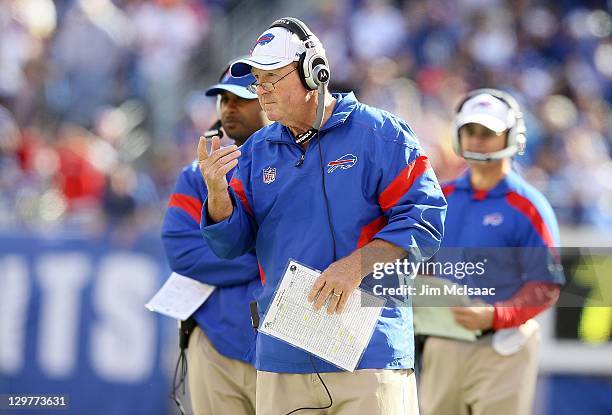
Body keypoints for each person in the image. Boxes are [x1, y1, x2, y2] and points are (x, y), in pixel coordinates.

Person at [198, 17, 446, 415]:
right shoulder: (256, 151)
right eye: (257, 81)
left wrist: (356, 265)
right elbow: (230, 244)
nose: (261, 92)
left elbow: (425, 219)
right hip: (284, 356)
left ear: (315, 73)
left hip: (370, 353)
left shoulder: (381, 133)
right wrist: (216, 193)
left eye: (272, 78)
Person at [418, 89, 565, 415]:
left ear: (511, 136)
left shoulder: (528, 205)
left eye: (487, 132)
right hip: (444, 340)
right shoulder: (440, 196)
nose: (477, 140)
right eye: (470, 131)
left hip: (504, 343)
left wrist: (496, 315)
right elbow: (420, 266)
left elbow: (546, 285)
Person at [161, 61, 269, 415]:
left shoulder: (299, 168)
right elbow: (182, 252)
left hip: (284, 343)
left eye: (240, 98)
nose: (228, 107)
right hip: (215, 338)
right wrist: (261, 260)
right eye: (223, 99)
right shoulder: (196, 175)